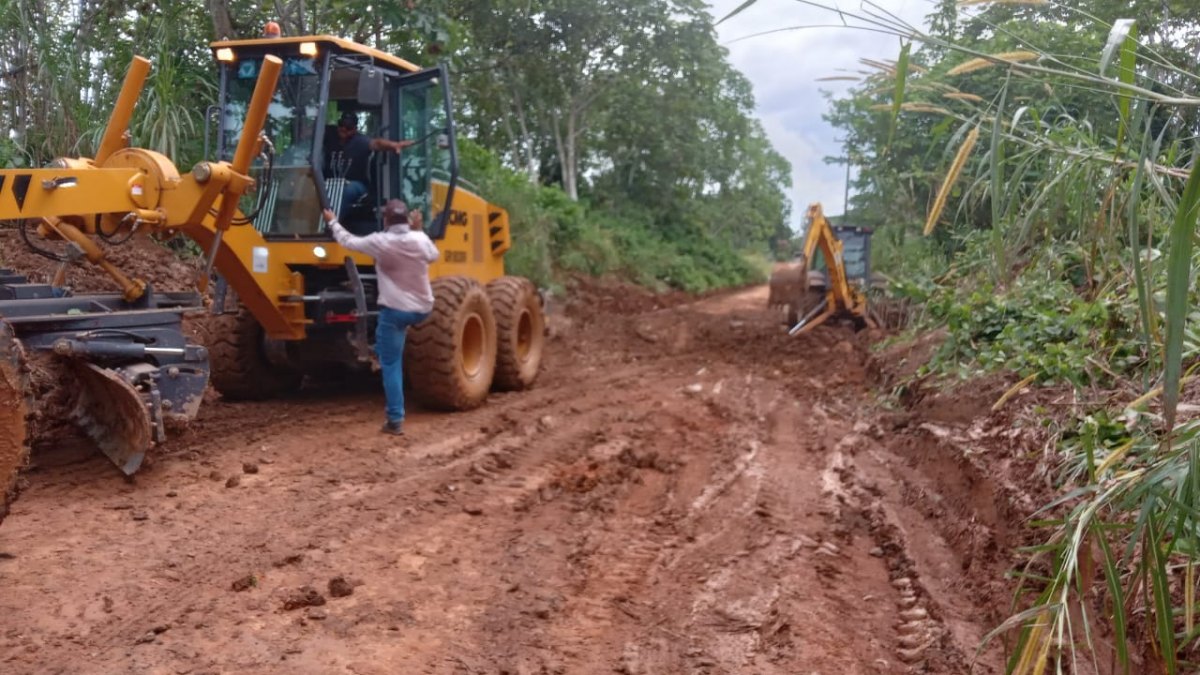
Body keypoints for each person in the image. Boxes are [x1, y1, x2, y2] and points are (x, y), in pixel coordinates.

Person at [323, 199, 439, 435]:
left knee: (391, 363)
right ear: (407, 219)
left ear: (386, 220)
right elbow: (433, 256)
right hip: (422, 310)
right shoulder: (420, 239)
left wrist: (332, 222)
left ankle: (395, 420)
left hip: (395, 312)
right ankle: (378, 347)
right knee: (390, 342)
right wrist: (418, 230)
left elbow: (347, 241)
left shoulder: (379, 241)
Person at [323, 111, 413, 221]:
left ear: (355, 129)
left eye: (348, 127)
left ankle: (331, 223)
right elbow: (310, 132)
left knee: (347, 190)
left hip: (355, 184)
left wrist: (394, 145)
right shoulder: (330, 134)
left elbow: (377, 143)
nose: (344, 129)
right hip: (329, 182)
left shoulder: (360, 141)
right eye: (341, 124)